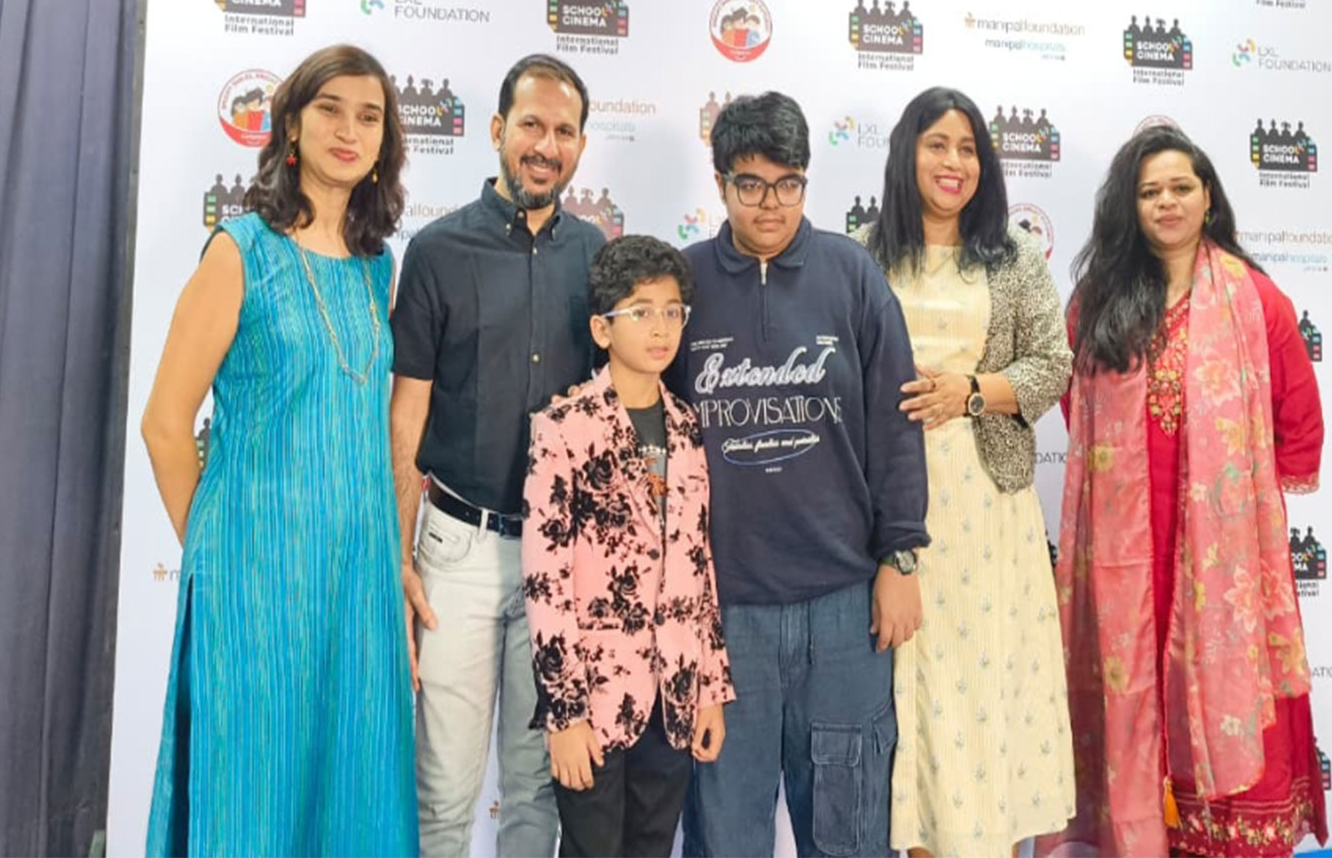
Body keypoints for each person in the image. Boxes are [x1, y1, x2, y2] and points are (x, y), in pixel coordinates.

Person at [139, 43, 414, 856]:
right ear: (291, 123)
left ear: (383, 147)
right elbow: (164, 424)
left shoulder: (376, 270)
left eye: (369, 117)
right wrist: (220, 558)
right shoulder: (241, 250)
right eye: (330, 109)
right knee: (249, 791)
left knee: (353, 792)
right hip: (254, 587)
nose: (348, 129)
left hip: (355, 589)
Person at [1052, 125, 1327, 857]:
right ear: (1129, 208)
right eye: (1149, 192)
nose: (1166, 203)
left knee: (1224, 683)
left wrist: (1242, 493)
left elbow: (1298, 404)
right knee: (1133, 684)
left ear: (1208, 197)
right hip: (1127, 545)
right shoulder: (1097, 301)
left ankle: (1229, 830)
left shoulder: (1254, 297)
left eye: (1180, 187)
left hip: (1225, 553)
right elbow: (1075, 406)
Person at [671, 91, 929, 858]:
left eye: (788, 183)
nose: (770, 203)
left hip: (844, 606)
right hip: (726, 610)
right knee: (725, 831)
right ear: (720, 184)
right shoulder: (680, 288)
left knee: (849, 830)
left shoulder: (851, 275)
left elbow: (896, 422)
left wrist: (901, 555)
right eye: (750, 184)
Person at [391, 54, 602, 857]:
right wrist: (397, 552)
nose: (545, 145)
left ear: (580, 146)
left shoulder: (597, 257)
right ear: (496, 132)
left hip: (561, 564)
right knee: (443, 791)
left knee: (535, 794)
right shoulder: (440, 252)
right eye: (531, 126)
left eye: (563, 131)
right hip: (457, 551)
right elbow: (405, 415)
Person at [863, 89, 1075, 858]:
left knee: (984, 693)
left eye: (967, 148)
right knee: (911, 690)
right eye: (936, 145)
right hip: (890, 507)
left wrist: (972, 393)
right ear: (906, 153)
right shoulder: (863, 252)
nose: (953, 163)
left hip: (986, 508)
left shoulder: (1013, 254)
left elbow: (1053, 366)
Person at [523, 236, 733, 858]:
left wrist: (710, 690)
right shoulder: (563, 427)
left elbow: (700, 565)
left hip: (672, 698)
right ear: (603, 328)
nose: (660, 327)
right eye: (640, 311)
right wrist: (565, 714)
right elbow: (546, 580)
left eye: (672, 311)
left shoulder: (688, 426)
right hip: (593, 698)